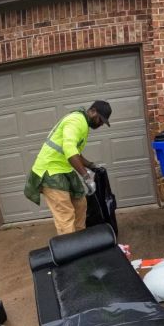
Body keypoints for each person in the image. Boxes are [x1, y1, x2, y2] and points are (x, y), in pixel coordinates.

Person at [24, 100, 111, 234]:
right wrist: (86, 177)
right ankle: (71, 249)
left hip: (64, 169)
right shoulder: (76, 121)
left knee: (80, 204)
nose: (100, 124)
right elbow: (70, 151)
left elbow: (75, 153)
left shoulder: (83, 124)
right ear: (92, 111)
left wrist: (91, 165)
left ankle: (80, 241)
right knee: (65, 213)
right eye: (100, 119)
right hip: (50, 170)